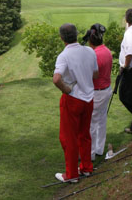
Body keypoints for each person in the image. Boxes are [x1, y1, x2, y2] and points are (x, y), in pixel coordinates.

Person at [53, 23, 99, 183]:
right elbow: (95, 73)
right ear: (77, 35)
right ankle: (86, 168)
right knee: (84, 134)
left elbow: (56, 79)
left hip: (73, 99)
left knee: (68, 137)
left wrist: (66, 89)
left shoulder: (64, 56)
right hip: (88, 98)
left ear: (62, 38)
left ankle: (71, 175)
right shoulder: (89, 51)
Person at [83, 24, 113, 161]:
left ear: (90, 41)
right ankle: (99, 149)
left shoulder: (94, 55)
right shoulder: (106, 51)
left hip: (97, 92)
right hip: (106, 90)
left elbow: (89, 75)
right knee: (101, 120)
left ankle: (90, 154)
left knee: (91, 124)